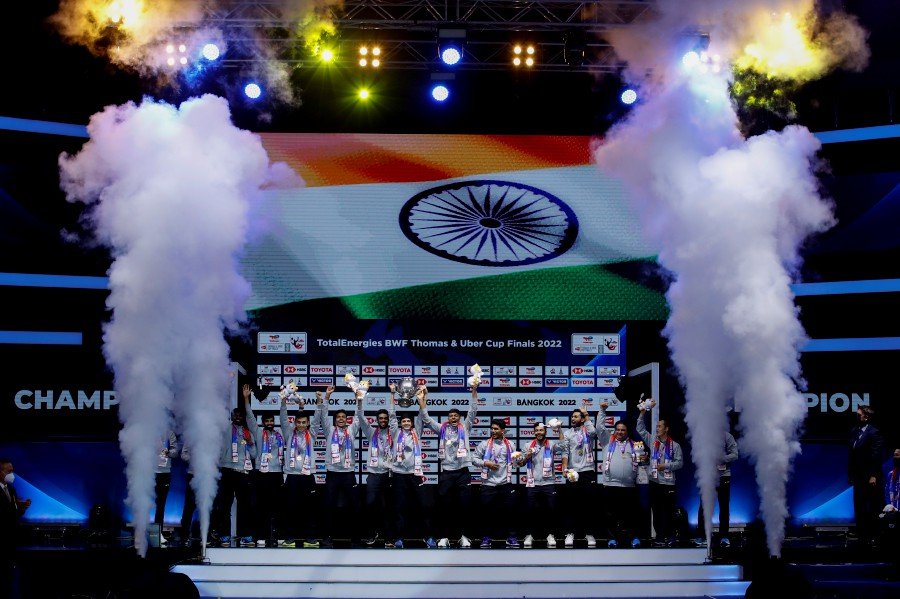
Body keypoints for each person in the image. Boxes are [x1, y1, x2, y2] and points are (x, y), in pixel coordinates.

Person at [418, 383, 478, 548]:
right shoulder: (441, 429)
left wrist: (474, 391)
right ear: (447, 417)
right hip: (447, 473)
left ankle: (464, 536)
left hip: (463, 472)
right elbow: (426, 418)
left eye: (456, 415)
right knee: (444, 506)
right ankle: (444, 536)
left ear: (459, 418)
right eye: (450, 415)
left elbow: (473, 411)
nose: (453, 417)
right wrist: (422, 400)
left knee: (464, 506)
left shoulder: (465, 427)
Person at [313, 384, 364, 547]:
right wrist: (326, 397)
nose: (341, 418)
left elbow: (359, 416)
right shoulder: (329, 431)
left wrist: (359, 399)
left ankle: (356, 537)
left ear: (346, 419)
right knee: (328, 506)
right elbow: (323, 416)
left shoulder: (351, 430)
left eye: (343, 417)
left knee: (354, 506)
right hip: (333, 473)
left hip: (348, 473)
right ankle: (327, 536)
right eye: (338, 417)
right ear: (335, 420)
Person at [636, 400, 683, 546]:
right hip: (655, 482)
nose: (657, 428)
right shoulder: (652, 441)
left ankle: (670, 536)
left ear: (666, 429)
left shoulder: (675, 445)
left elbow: (680, 463)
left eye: (659, 426)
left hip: (668, 483)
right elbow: (640, 429)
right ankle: (659, 537)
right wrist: (642, 413)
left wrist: (666, 466)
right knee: (655, 511)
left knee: (669, 512)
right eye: (656, 426)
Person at [211, 400, 257, 547]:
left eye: (240, 416)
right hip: (227, 471)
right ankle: (224, 535)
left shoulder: (247, 433)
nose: (237, 417)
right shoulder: (225, 429)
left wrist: (250, 443)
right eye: (235, 415)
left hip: (243, 472)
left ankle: (246, 535)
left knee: (245, 505)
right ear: (231, 416)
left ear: (243, 418)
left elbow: (255, 454)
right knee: (225, 505)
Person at [244, 384, 285, 547]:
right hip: (261, 474)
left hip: (276, 473)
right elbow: (249, 417)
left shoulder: (279, 435)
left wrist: (283, 402)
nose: (269, 423)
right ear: (263, 422)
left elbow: (284, 417)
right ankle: (260, 535)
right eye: (266, 421)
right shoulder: (259, 432)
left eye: (271, 421)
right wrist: (246, 399)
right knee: (260, 507)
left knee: (276, 508)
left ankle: (276, 535)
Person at [597, 402, 641, 548]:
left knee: (630, 515)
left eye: (623, 430)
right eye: (618, 430)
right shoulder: (607, 442)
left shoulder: (635, 445)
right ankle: (611, 539)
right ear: (614, 431)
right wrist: (602, 410)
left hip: (629, 486)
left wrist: (644, 459)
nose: (620, 432)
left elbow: (641, 461)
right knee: (610, 515)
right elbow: (599, 428)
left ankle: (632, 538)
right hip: (610, 485)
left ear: (627, 431)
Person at [359, 385, 398, 548]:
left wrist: (392, 394)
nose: (383, 420)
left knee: (389, 507)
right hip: (374, 475)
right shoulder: (371, 433)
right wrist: (359, 399)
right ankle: (372, 534)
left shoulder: (394, 432)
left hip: (389, 475)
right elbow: (360, 417)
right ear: (377, 420)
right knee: (370, 505)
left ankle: (389, 537)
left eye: (385, 418)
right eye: (380, 418)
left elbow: (394, 414)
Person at [515, 422, 564, 548]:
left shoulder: (551, 444)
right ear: (534, 432)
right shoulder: (527, 445)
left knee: (551, 511)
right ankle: (529, 535)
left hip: (549, 483)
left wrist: (559, 429)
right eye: (536, 430)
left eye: (541, 430)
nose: (539, 432)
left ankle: (550, 535)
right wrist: (527, 456)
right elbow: (520, 464)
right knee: (530, 511)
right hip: (532, 483)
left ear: (545, 432)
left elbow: (563, 445)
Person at [473, 418, 519, 548]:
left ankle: (511, 537)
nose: (493, 431)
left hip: (505, 483)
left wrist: (518, 459)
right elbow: (474, 459)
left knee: (510, 512)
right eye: (492, 428)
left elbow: (514, 464)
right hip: (488, 484)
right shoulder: (484, 444)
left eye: (496, 429)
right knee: (487, 514)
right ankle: (486, 538)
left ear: (502, 430)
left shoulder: (510, 444)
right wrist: (485, 463)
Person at [280, 397, 319, 548]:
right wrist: (283, 402)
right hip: (292, 477)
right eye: (299, 422)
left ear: (307, 423)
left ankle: (310, 538)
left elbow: (317, 419)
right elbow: (283, 418)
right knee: (291, 508)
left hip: (308, 477)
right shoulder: (289, 434)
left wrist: (321, 401)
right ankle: (289, 538)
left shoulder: (312, 434)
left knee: (309, 509)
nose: (301, 425)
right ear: (295, 423)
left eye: (304, 422)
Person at [392, 410, 434, 548]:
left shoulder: (417, 433)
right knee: (399, 508)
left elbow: (422, 416)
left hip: (415, 474)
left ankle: (428, 537)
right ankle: (399, 538)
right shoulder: (395, 433)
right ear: (400, 423)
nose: (406, 423)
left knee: (424, 506)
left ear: (412, 423)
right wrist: (392, 395)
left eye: (408, 421)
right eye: (403, 421)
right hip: (399, 475)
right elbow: (392, 416)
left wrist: (421, 399)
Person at [560, 406, 598, 548]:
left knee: (588, 504)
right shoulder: (568, 433)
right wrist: (564, 468)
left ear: (582, 419)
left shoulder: (587, 430)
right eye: (572, 417)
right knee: (571, 504)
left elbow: (594, 432)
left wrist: (587, 415)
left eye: (576, 417)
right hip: (572, 472)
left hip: (588, 471)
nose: (573, 419)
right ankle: (570, 533)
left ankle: (589, 533)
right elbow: (565, 452)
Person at [697, 430, 739, 548]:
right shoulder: (705, 434)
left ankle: (724, 536)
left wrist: (721, 458)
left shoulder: (727, 436)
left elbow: (735, 454)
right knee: (704, 506)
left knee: (724, 506)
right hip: (708, 476)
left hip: (723, 475)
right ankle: (701, 535)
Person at [849, 406, 884, 543]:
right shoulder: (854, 431)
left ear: (867, 417)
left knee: (873, 505)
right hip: (858, 476)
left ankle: (874, 534)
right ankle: (861, 533)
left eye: (859, 415)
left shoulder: (874, 432)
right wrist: (850, 474)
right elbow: (851, 455)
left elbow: (876, 455)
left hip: (870, 476)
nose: (857, 416)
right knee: (859, 504)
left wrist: (874, 475)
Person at [1, 458, 31, 598]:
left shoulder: (11, 489)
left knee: (10, 577)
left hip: (11, 539)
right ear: (0, 472)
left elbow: (13, 511)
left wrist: (22, 508)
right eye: (9, 471)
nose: (12, 474)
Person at [153, 430, 178, 545]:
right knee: (143, 502)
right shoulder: (149, 429)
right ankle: (142, 531)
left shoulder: (170, 433)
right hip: (149, 471)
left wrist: (168, 453)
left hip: (165, 473)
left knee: (161, 504)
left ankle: (158, 532)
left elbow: (175, 452)